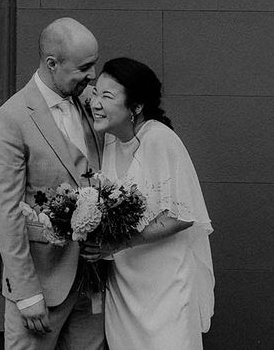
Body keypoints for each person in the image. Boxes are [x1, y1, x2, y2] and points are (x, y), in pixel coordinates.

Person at [0, 17, 105, 350]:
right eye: (84, 67)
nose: (92, 75)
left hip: (91, 282)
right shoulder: (10, 119)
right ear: (52, 64)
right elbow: (5, 212)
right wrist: (26, 292)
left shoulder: (91, 104)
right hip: (43, 286)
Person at [83, 57, 214, 349]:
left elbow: (182, 215)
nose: (96, 102)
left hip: (165, 287)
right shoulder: (112, 140)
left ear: (137, 106)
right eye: (95, 93)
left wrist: (118, 244)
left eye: (107, 96)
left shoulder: (159, 139)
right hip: (125, 288)